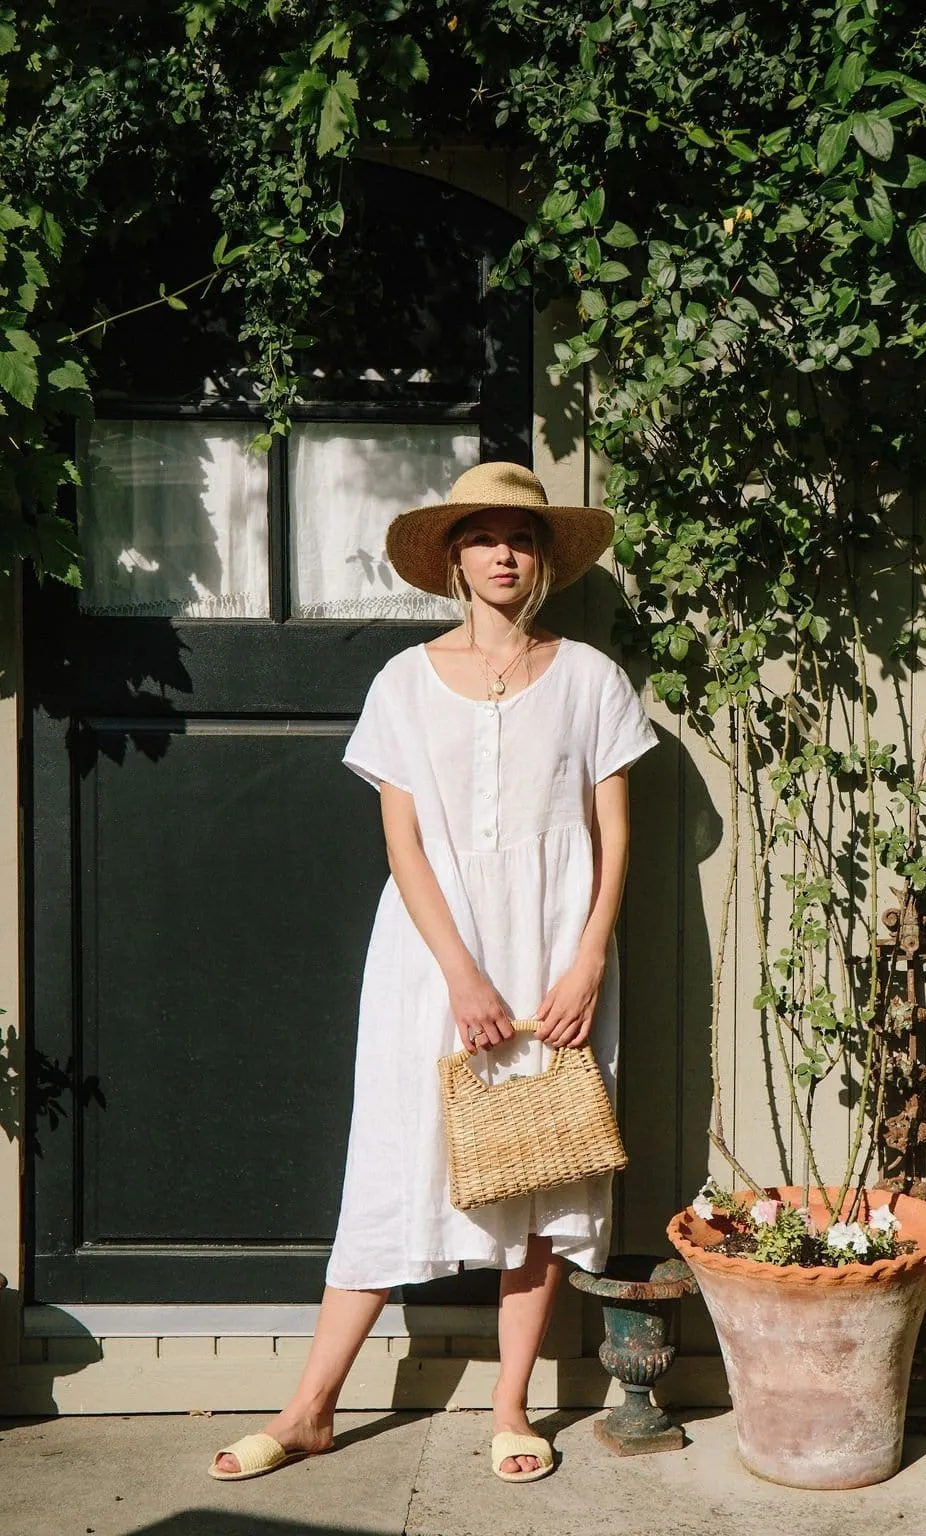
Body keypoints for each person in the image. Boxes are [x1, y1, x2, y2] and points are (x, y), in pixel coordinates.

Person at [209, 460, 658, 1485]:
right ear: (452, 556)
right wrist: (459, 975)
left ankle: (510, 1407)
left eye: (524, 537)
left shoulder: (587, 675)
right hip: (433, 962)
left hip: (554, 955)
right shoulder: (404, 682)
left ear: (543, 558)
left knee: (542, 1172)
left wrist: (586, 959)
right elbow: (404, 845)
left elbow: (613, 831)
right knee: (393, 1166)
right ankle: (312, 1407)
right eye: (485, 535)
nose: (505, 552)